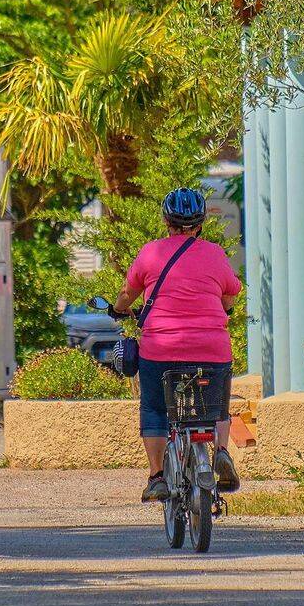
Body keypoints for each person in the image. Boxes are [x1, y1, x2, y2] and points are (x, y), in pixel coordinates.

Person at [113, 187, 242, 503]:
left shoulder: (150, 253)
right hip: (212, 349)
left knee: (155, 408)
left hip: (161, 350)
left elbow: (127, 295)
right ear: (199, 225)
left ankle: (157, 476)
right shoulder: (214, 254)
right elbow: (229, 295)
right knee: (217, 405)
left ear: (165, 221)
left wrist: (117, 308)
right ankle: (221, 451)